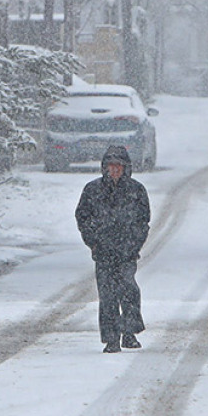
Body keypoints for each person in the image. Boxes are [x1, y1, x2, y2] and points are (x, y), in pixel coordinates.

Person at [75, 145, 151, 353]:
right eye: (111, 166)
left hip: (127, 252)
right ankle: (111, 338)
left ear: (126, 168)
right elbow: (82, 218)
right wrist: (94, 241)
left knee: (128, 289)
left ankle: (129, 332)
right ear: (105, 168)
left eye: (119, 166)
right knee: (107, 295)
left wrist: (134, 243)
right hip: (103, 252)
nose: (115, 170)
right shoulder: (92, 191)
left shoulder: (136, 191)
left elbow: (143, 220)